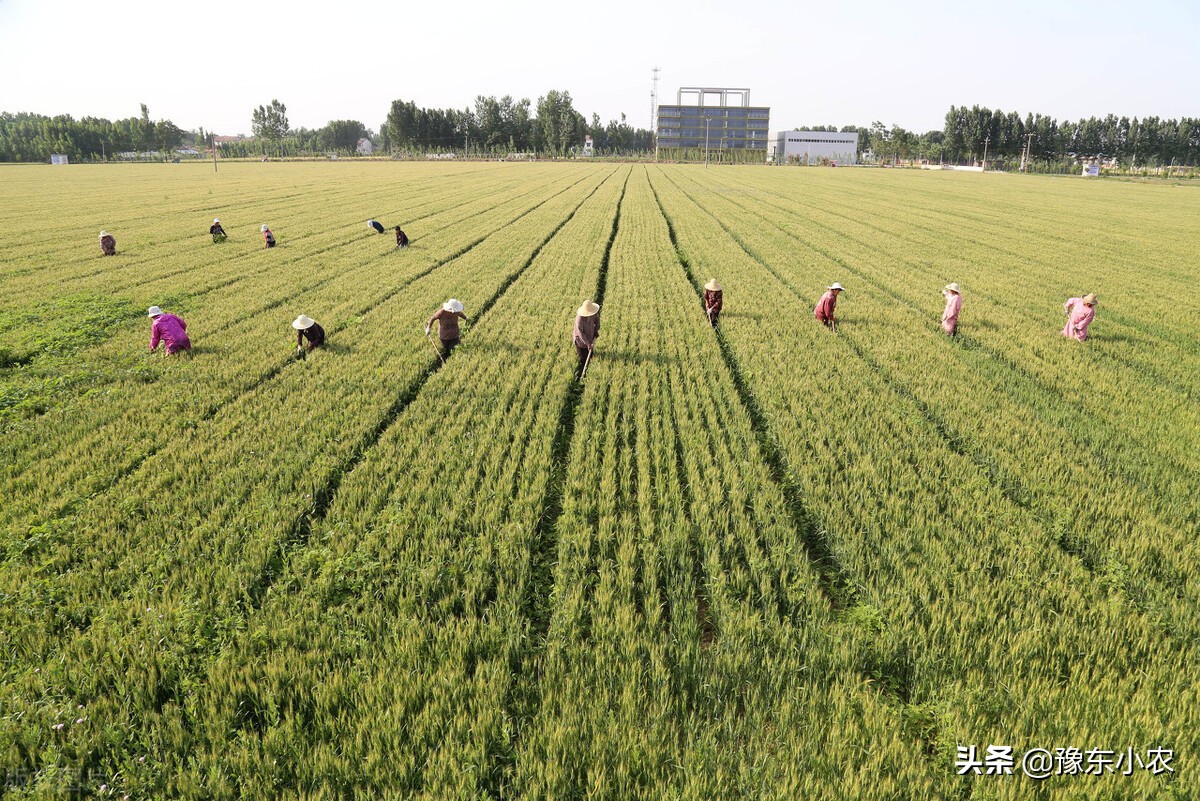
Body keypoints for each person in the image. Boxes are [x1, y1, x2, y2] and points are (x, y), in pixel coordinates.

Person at [573, 300, 601, 375]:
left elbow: (597, 321)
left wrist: (596, 330)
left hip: (590, 335)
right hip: (580, 341)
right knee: (582, 358)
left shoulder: (594, 314)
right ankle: (581, 372)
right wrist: (588, 344)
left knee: (591, 355)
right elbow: (580, 333)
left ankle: (589, 371)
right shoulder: (579, 319)